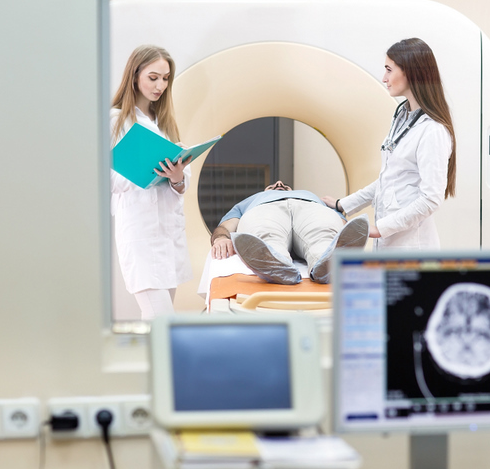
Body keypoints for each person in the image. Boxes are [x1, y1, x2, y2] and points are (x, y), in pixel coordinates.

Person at [322, 38, 456, 249]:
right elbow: (389, 180)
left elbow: (431, 199)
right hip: (389, 243)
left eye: (389, 70)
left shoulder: (432, 130)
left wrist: (379, 228)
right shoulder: (402, 116)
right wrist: (343, 204)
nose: (384, 78)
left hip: (412, 248)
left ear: (411, 72)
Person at [110, 45, 192, 320]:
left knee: (157, 326)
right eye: (153, 77)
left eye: (166, 78)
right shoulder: (116, 121)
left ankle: (153, 364)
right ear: (135, 76)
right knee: (161, 322)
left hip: (168, 236)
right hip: (141, 236)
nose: (160, 85)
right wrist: (147, 171)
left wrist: (177, 177)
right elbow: (104, 180)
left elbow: (181, 186)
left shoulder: (165, 123)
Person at [210, 181, 369, 285]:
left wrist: (348, 232)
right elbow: (224, 227)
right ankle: (277, 263)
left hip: (310, 208)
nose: (279, 183)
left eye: (284, 184)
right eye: (273, 185)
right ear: (265, 190)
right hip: (264, 210)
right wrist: (221, 239)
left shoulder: (312, 196)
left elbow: (340, 223)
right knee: (266, 235)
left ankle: (325, 262)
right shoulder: (249, 201)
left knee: (323, 235)